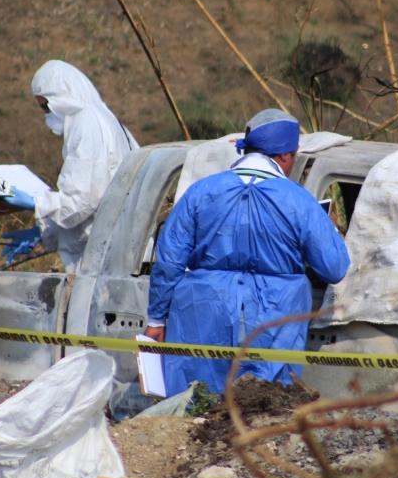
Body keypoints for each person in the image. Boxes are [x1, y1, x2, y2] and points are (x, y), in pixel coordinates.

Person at [145, 109, 350, 395]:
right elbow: (334, 267)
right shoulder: (299, 202)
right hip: (274, 317)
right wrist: (330, 230)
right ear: (285, 156)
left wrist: (156, 320)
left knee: (195, 408)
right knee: (263, 408)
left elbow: (168, 262)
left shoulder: (200, 192)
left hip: (203, 311)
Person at [0, 60, 138, 273]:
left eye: (46, 105)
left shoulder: (86, 123)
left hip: (104, 262)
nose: (46, 113)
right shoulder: (107, 121)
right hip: (116, 252)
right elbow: (93, 202)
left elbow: (78, 203)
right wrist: (44, 232)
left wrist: (35, 201)